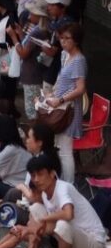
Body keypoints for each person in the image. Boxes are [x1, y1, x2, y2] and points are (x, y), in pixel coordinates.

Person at [42, 22, 87, 184]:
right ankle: (62, 182)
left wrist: (60, 99)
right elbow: (61, 79)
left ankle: (68, 185)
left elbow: (80, 88)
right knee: (59, 148)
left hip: (68, 109)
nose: (63, 41)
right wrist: (51, 94)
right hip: (58, 104)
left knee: (65, 150)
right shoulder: (64, 55)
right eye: (61, 38)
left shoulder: (79, 60)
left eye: (67, 38)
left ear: (76, 40)